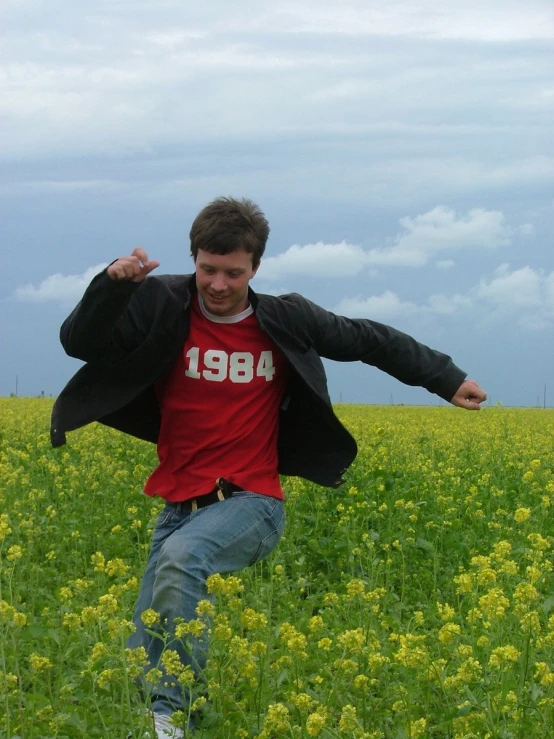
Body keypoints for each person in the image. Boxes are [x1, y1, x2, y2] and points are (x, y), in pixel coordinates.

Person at [51, 197, 487, 737]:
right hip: (178, 505)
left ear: (255, 267)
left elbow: (368, 338)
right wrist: (113, 286)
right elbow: (81, 343)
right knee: (145, 644)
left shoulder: (285, 318)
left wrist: (444, 378)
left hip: (252, 500)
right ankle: (169, 713)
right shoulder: (161, 304)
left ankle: (172, 716)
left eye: (233, 273)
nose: (217, 284)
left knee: (184, 562)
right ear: (194, 260)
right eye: (207, 269)